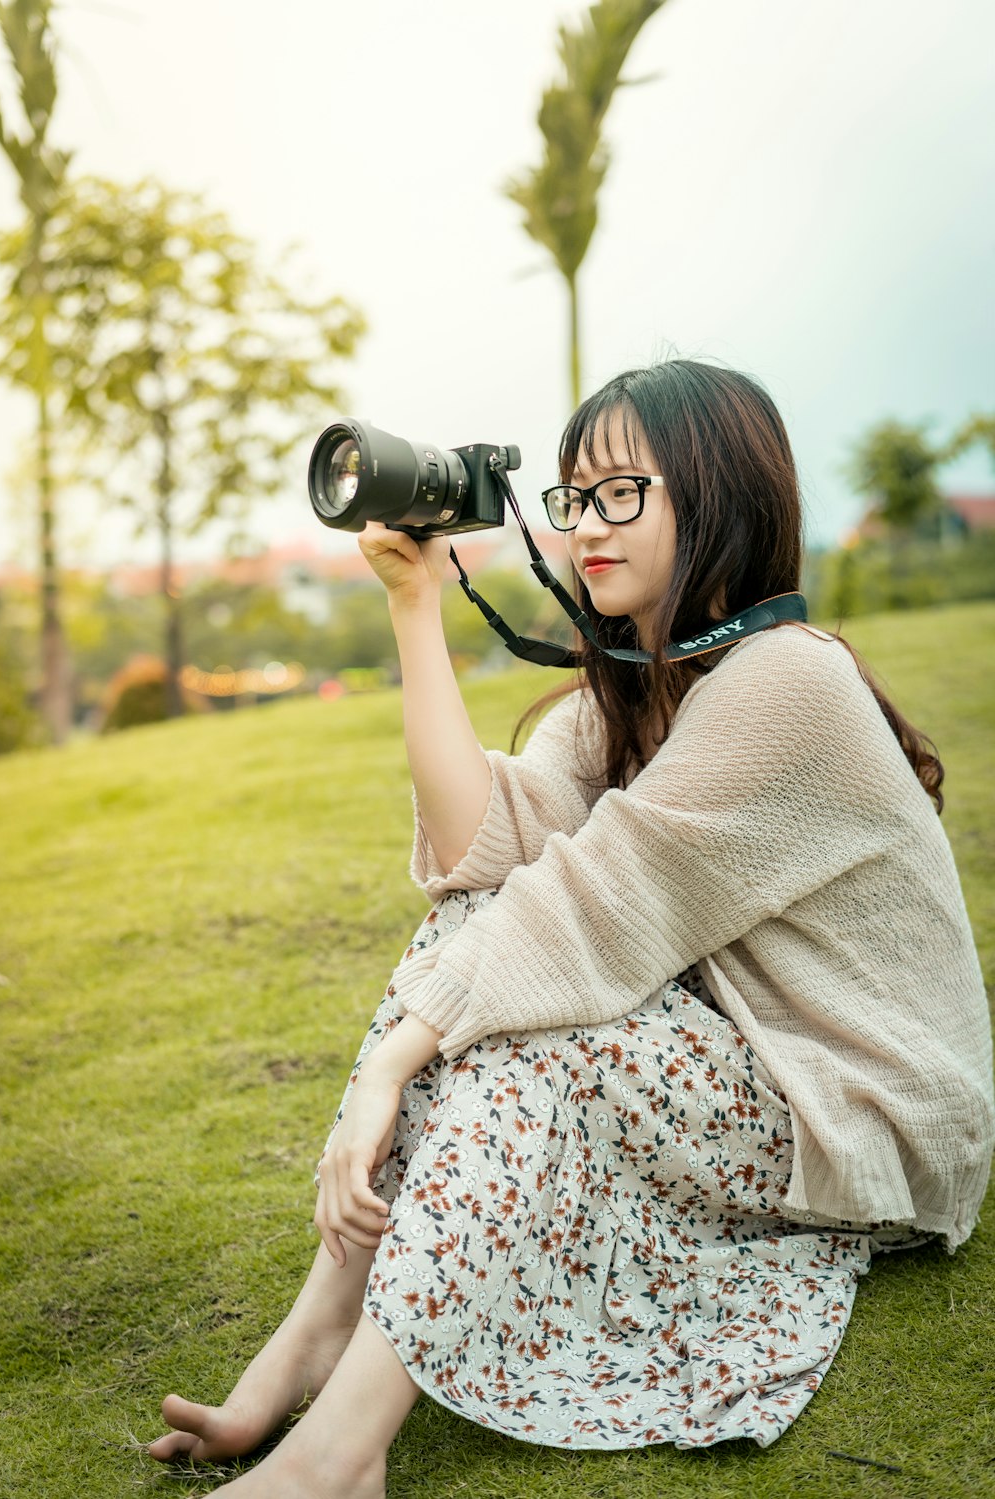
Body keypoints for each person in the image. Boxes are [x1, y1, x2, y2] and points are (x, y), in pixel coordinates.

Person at [148, 360, 994, 1497]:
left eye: (619, 493)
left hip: (862, 1114)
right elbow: (478, 849)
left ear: (718, 496)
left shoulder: (788, 680)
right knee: (480, 926)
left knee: (534, 1014)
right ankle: (314, 1333)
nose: (587, 523)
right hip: (752, 1079)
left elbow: (595, 909)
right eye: (573, 497)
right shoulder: (635, 687)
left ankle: (338, 1453)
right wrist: (415, 605)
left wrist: (389, 1067)